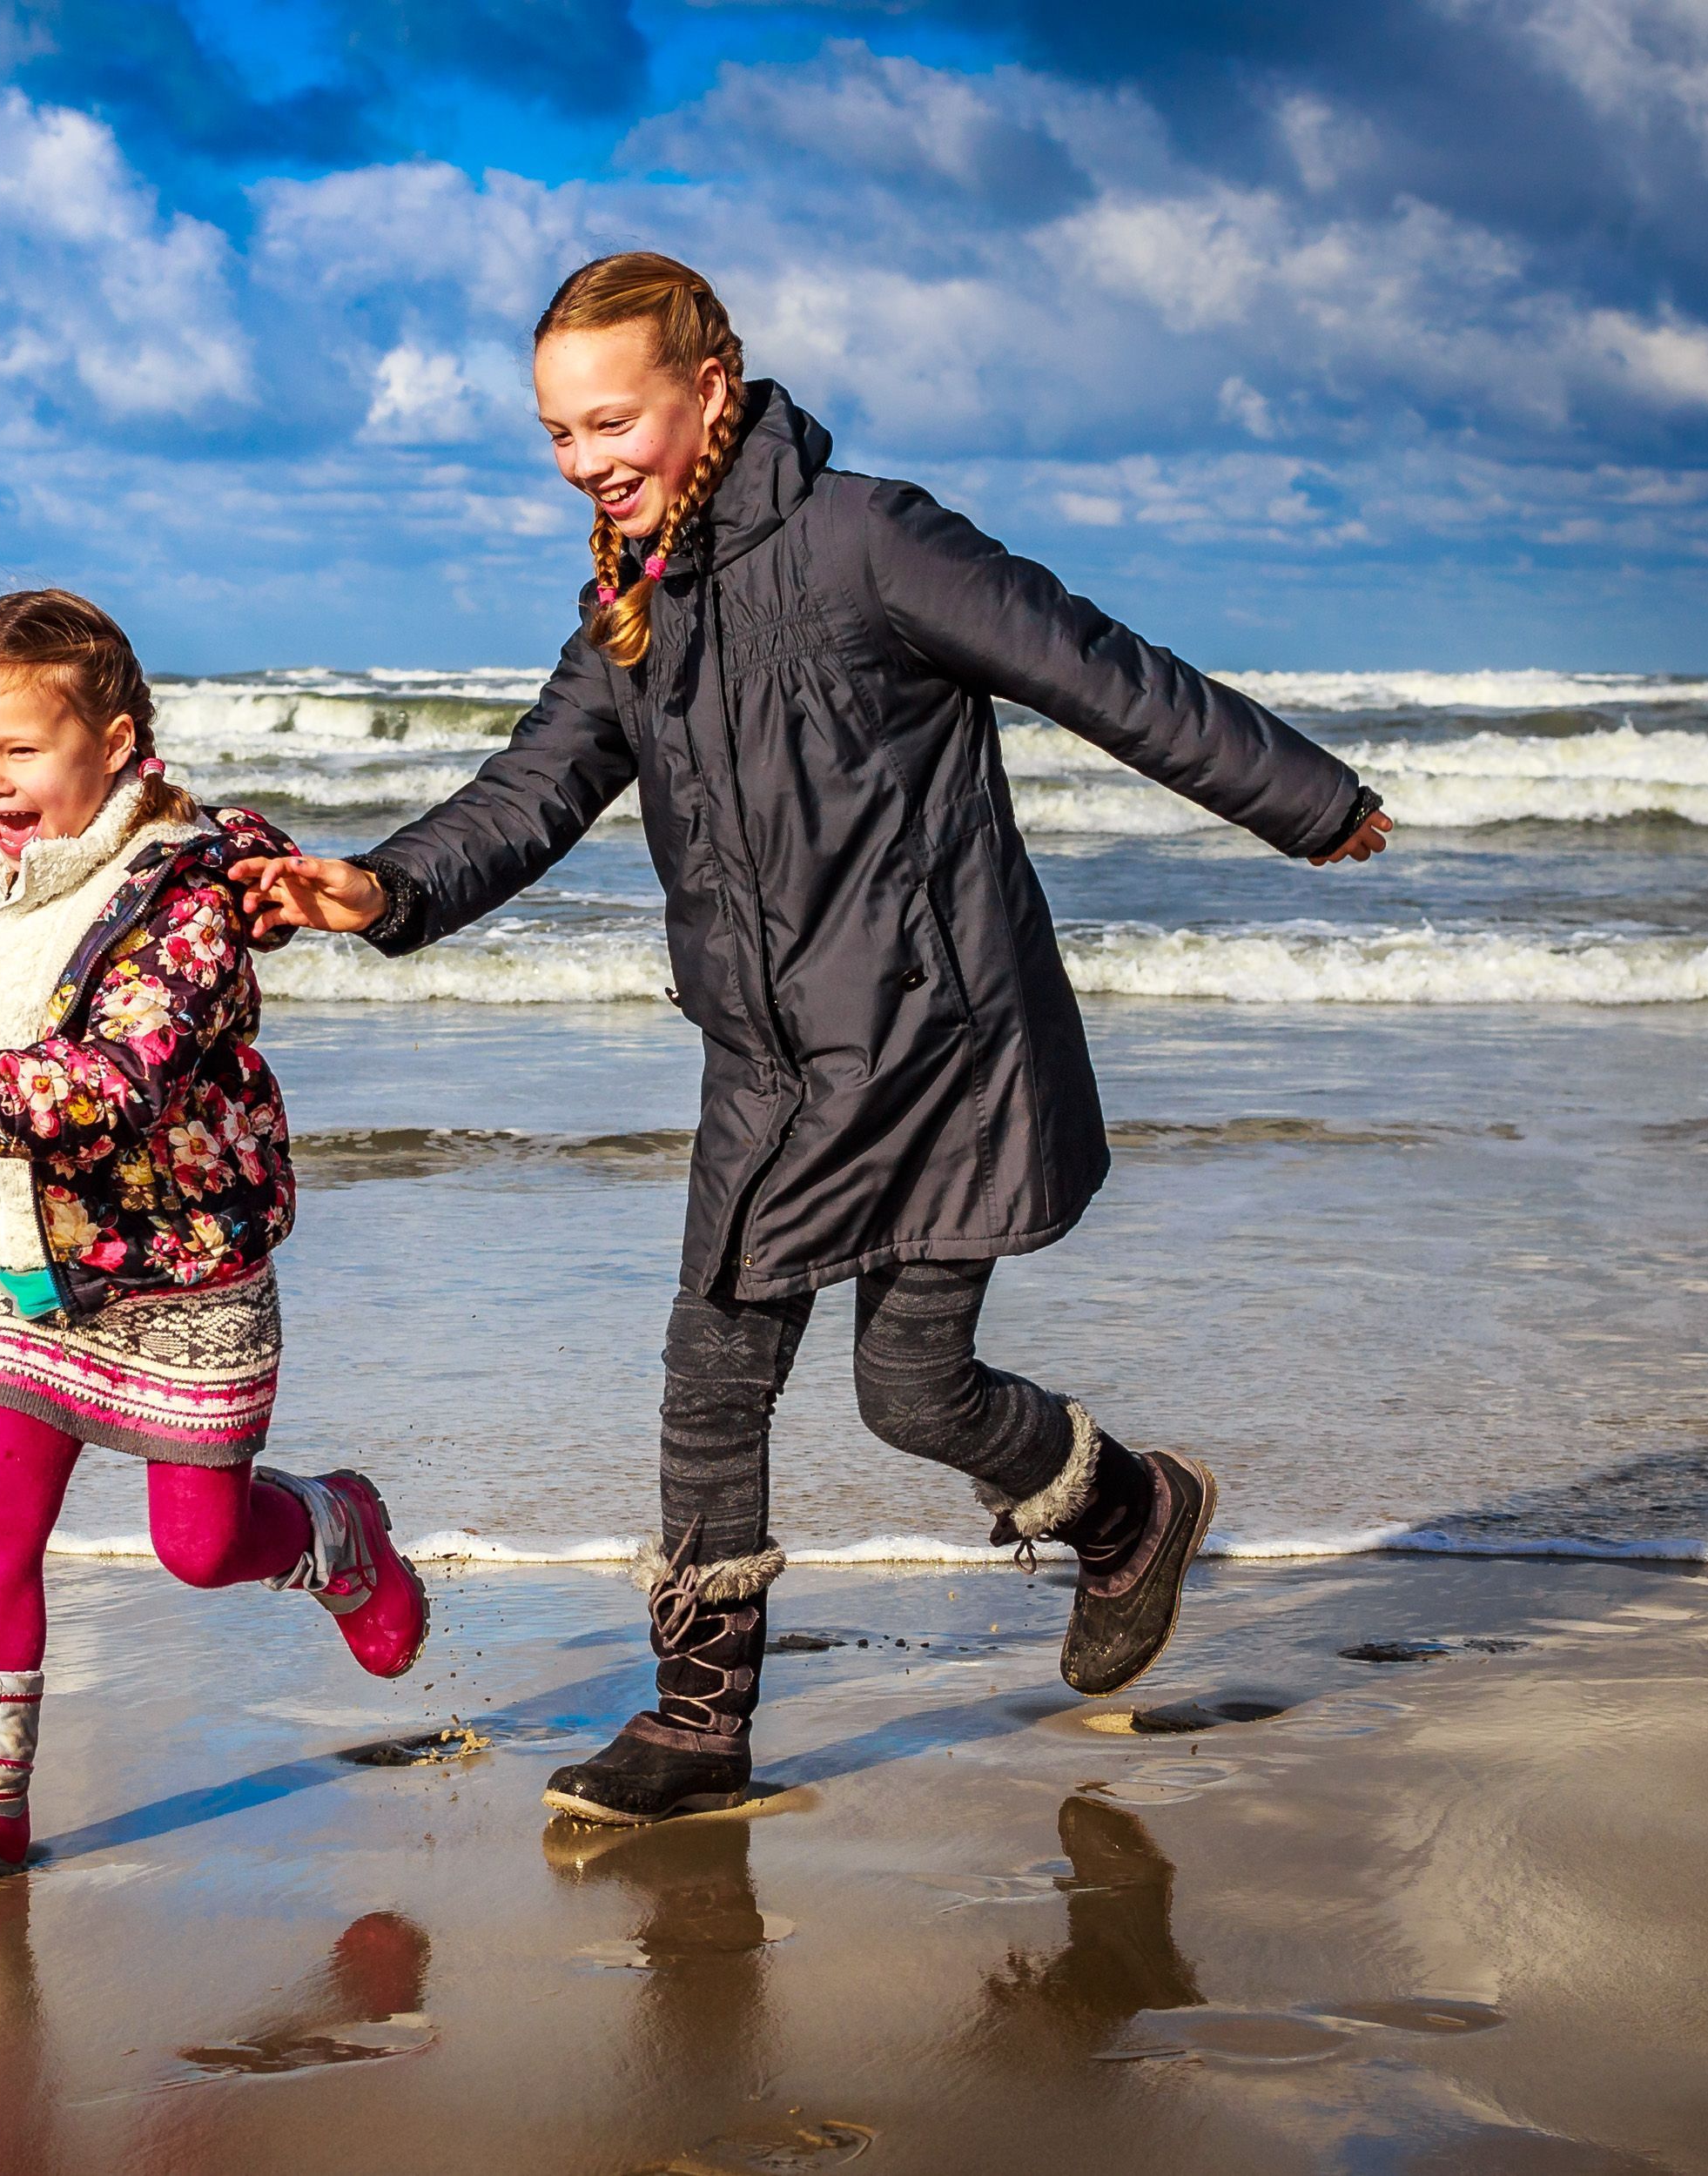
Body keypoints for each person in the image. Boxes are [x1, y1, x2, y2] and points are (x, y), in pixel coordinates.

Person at [234, 254, 1393, 1828]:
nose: (584, 462)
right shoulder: (632, 603)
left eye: (611, 422)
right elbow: (533, 788)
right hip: (769, 1071)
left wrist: (1307, 800)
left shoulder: (871, 538)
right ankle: (695, 1728)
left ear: (708, 389)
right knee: (709, 1380)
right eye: (557, 434)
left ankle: (1128, 1510)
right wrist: (380, 888)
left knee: (911, 1392)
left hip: (940, 1051)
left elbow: (1094, 667)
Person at [0, 588, 433, 1890]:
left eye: (22, 749)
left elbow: (131, 1069)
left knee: (199, 1548)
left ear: (113, 744)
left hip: (185, 1261)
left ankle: (336, 1532)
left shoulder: (187, 894)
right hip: (41, 1266)